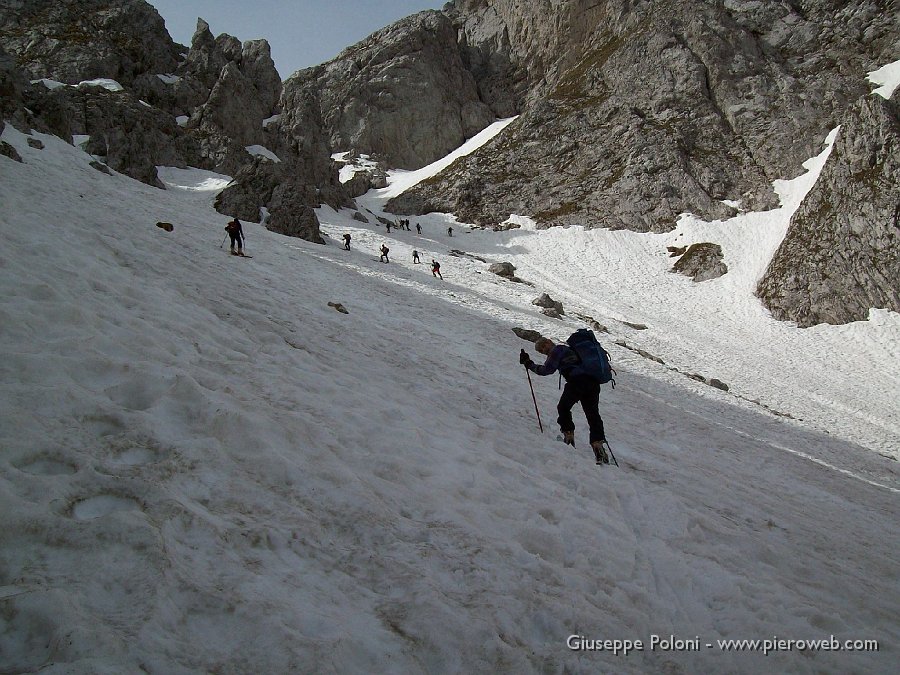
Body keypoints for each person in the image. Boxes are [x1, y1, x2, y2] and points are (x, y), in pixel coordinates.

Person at [520, 337, 609, 464]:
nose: (544, 351)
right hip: (592, 383)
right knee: (592, 413)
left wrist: (529, 364)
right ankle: (598, 446)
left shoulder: (557, 350)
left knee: (563, 407)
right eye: (541, 351)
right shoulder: (566, 349)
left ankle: (568, 436)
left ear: (549, 342)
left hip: (577, 382)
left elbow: (547, 370)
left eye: (543, 347)